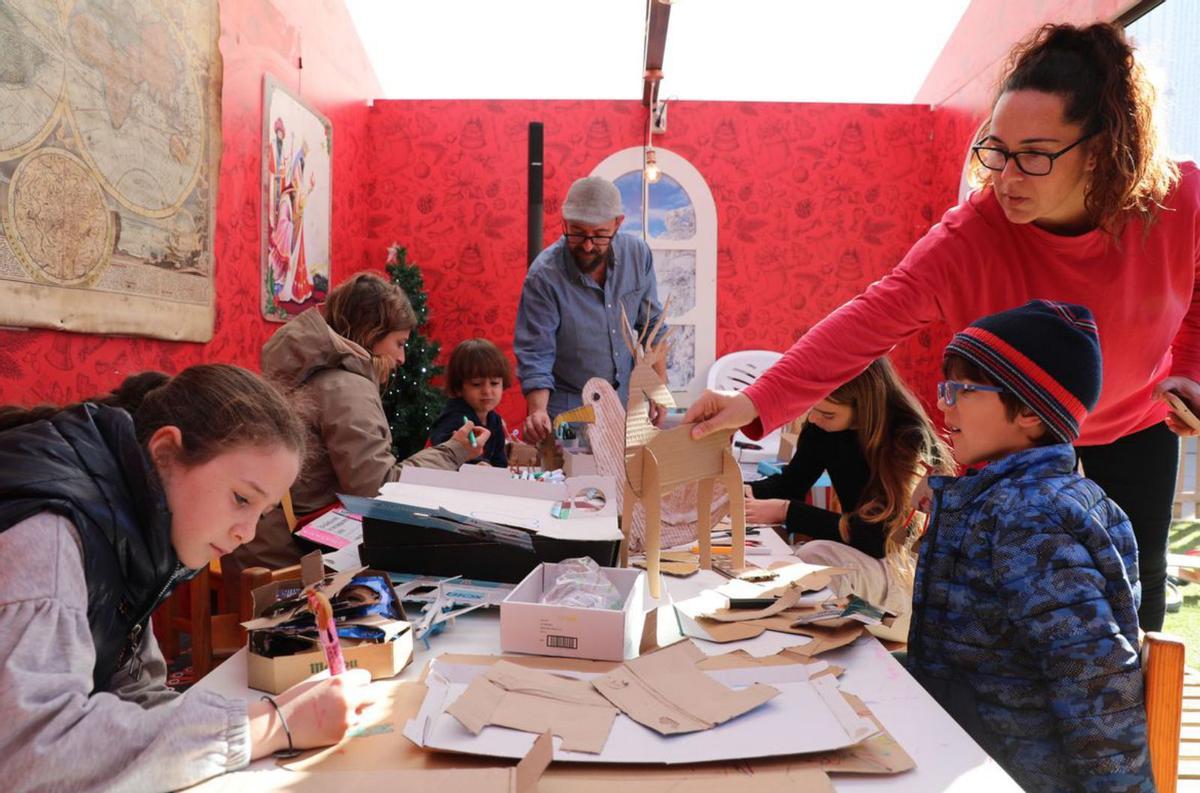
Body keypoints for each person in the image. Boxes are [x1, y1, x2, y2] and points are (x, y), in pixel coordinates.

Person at [685, 22, 1197, 630]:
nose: (1006, 177)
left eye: (1034, 155)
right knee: (995, 608)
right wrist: (754, 400)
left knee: (1134, 606)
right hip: (1013, 439)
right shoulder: (970, 235)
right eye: (997, 149)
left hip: (1135, 425)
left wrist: (1189, 371)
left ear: (1105, 148)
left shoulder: (1178, 203)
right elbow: (869, 319)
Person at [0, 365, 374, 792]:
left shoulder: (132, 528)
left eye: (262, 513)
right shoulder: (48, 539)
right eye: (241, 499)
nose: (247, 533)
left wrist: (270, 715)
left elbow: (133, 691)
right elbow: (30, 755)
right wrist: (269, 727)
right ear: (165, 453)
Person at [907, 301, 1151, 792]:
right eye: (944, 389)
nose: (944, 405)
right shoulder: (1009, 499)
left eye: (962, 391)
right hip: (973, 742)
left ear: (1029, 414)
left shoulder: (1032, 519)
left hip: (1009, 770)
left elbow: (1091, 674)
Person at [229, 272, 488, 574]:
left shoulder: (303, 371)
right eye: (399, 343)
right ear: (372, 334)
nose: (402, 357)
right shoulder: (346, 386)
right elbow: (378, 489)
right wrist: (454, 450)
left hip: (257, 544)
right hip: (292, 560)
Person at [745, 358, 953, 616]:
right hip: (865, 555)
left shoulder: (908, 439)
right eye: (812, 408)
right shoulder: (823, 428)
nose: (814, 418)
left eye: (827, 414)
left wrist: (787, 512)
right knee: (799, 564)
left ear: (865, 406)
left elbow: (878, 539)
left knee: (812, 557)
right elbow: (791, 483)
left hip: (903, 569)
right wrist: (739, 490)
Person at [514, 176, 666, 444]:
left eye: (598, 235)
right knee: (570, 481)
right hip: (568, 409)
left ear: (617, 223)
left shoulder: (638, 255)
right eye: (577, 232)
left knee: (625, 482)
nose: (586, 245)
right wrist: (537, 411)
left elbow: (653, 326)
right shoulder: (544, 277)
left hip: (625, 404)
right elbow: (537, 354)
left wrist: (658, 387)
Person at [428, 338, 512, 468]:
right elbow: (443, 453)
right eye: (477, 384)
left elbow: (499, 462)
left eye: (494, 383)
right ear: (459, 387)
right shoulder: (454, 417)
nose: (487, 391)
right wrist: (476, 464)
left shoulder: (495, 420)